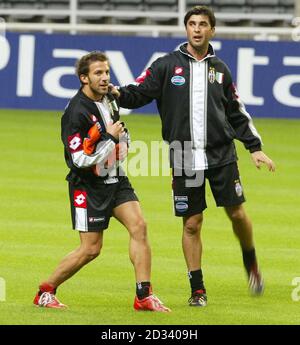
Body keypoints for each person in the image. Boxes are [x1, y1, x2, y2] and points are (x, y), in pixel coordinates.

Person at [112, 6, 275, 307]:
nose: (197, 29)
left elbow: (236, 112)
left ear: (212, 30)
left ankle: (250, 260)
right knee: (191, 223)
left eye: (203, 24)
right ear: (185, 29)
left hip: (221, 155)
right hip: (184, 156)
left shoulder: (221, 70)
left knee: (237, 213)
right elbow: (137, 92)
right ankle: (197, 289)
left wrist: (255, 147)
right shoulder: (165, 65)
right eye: (191, 24)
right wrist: (115, 92)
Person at [33, 51, 170, 312]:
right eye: (98, 73)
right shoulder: (76, 112)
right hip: (88, 185)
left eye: (106, 72)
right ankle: (45, 291)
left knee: (139, 227)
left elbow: (117, 130)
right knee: (91, 249)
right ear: (84, 78)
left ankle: (144, 296)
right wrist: (110, 139)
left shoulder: (109, 99)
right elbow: (79, 160)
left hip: (115, 177)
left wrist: (122, 142)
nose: (105, 77)